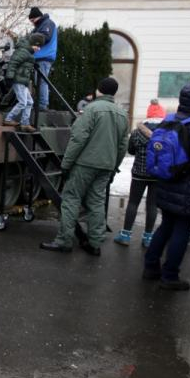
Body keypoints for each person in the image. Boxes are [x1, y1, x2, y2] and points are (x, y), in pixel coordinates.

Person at [40, 77, 129, 255]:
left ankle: (64, 241)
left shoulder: (91, 109)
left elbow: (78, 138)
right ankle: (95, 244)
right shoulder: (122, 114)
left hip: (85, 164)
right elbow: (122, 145)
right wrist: (114, 166)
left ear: (99, 90)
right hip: (106, 165)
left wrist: (66, 164)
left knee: (71, 199)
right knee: (96, 202)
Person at [143, 83, 190, 291]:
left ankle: (150, 267)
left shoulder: (169, 120)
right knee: (182, 231)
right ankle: (170, 276)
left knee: (165, 227)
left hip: (167, 184)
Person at [113, 107, 164, 248]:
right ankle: (148, 238)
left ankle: (125, 235)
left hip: (139, 173)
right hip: (158, 174)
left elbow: (131, 151)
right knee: (152, 205)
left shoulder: (136, 133)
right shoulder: (166, 134)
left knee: (133, 203)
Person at [3, 33, 46, 132]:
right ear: (32, 43)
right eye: (37, 46)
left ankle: (25, 123)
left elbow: (25, 64)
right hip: (18, 80)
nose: (38, 49)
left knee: (30, 102)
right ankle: (8, 119)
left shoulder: (28, 52)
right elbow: (13, 63)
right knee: (23, 102)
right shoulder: (23, 51)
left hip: (23, 81)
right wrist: (9, 76)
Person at [28, 7, 58, 110]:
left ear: (37, 17)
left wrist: (31, 39)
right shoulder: (41, 25)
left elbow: (45, 37)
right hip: (40, 57)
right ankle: (40, 103)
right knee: (39, 81)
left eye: (32, 20)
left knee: (42, 81)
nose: (32, 23)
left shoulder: (47, 23)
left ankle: (42, 104)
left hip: (44, 57)